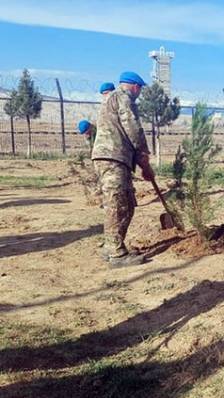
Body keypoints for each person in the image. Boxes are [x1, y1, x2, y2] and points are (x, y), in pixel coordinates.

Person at [91, 71, 153, 268]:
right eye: (140, 89)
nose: (139, 93)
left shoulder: (110, 99)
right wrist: (143, 155)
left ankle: (112, 247)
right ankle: (116, 254)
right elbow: (133, 128)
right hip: (113, 157)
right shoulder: (123, 98)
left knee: (126, 204)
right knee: (117, 205)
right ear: (135, 86)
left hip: (114, 158)